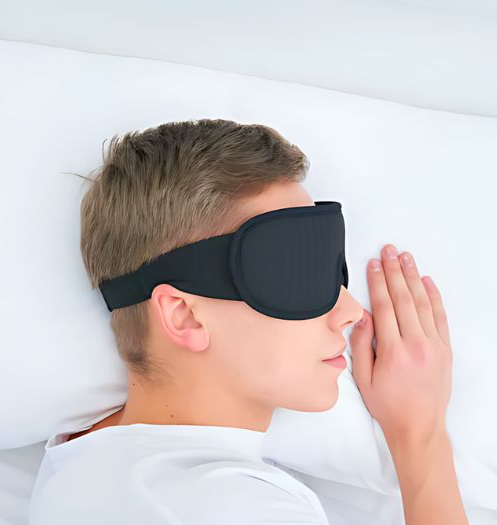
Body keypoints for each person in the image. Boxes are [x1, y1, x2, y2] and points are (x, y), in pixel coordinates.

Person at [28, 119, 468, 524]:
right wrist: (422, 438)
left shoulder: (76, 466)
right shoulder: (235, 507)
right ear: (183, 315)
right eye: (298, 275)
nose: (350, 312)